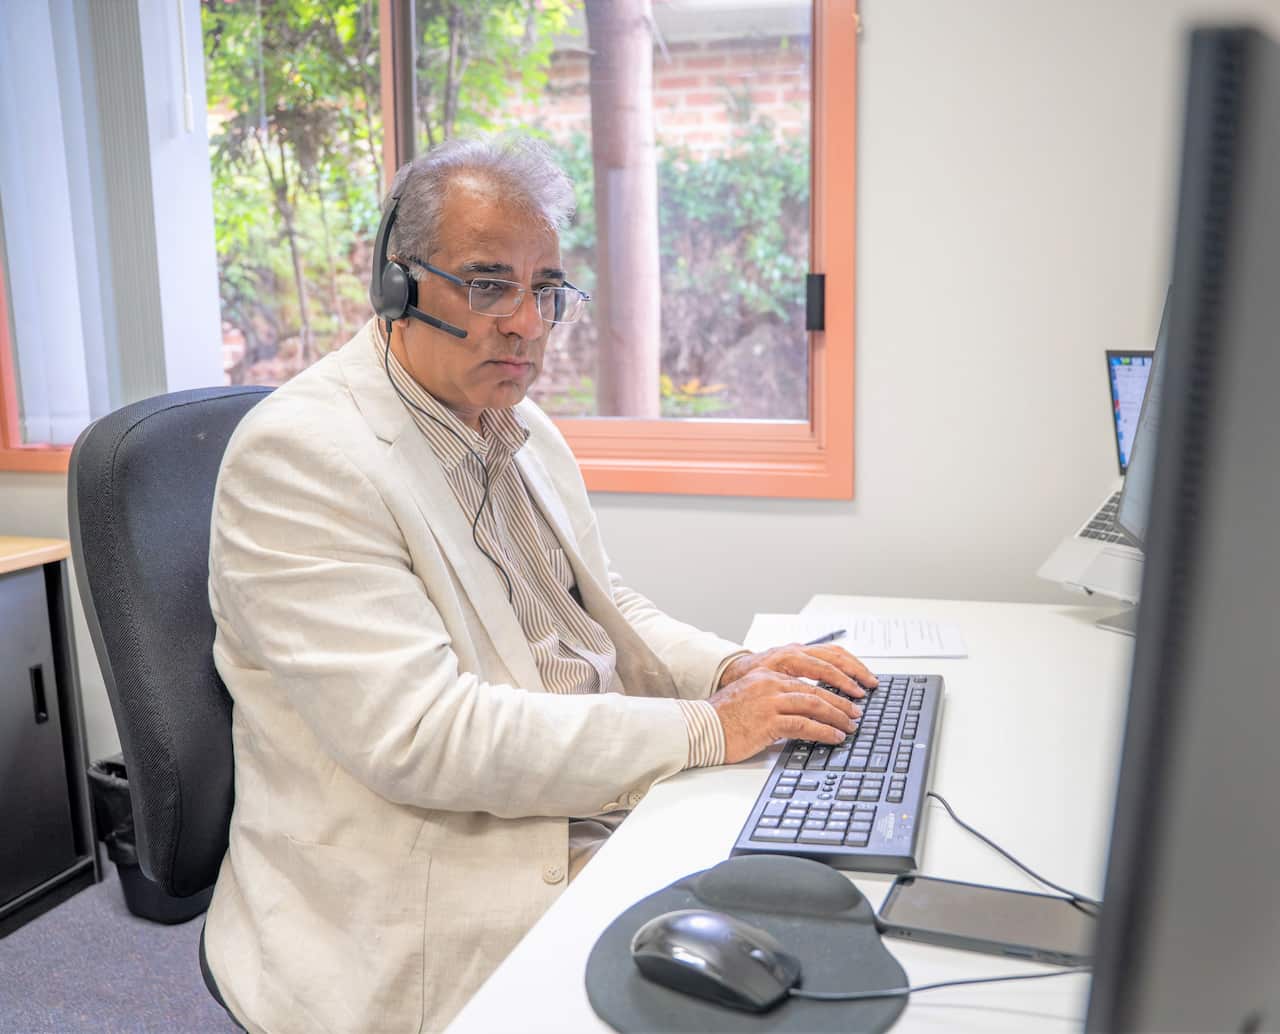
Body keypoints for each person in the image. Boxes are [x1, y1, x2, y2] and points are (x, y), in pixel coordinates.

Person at [202, 134, 876, 1033]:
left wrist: (734, 671)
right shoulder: (303, 459)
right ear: (396, 287)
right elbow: (424, 735)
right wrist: (710, 730)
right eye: (488, 286)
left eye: (546, 291)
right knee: (780, 993)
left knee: (830, 902)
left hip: (573, 798)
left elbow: (604, 607)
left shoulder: (512, 423)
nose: (525, 322)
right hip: (430, 875)